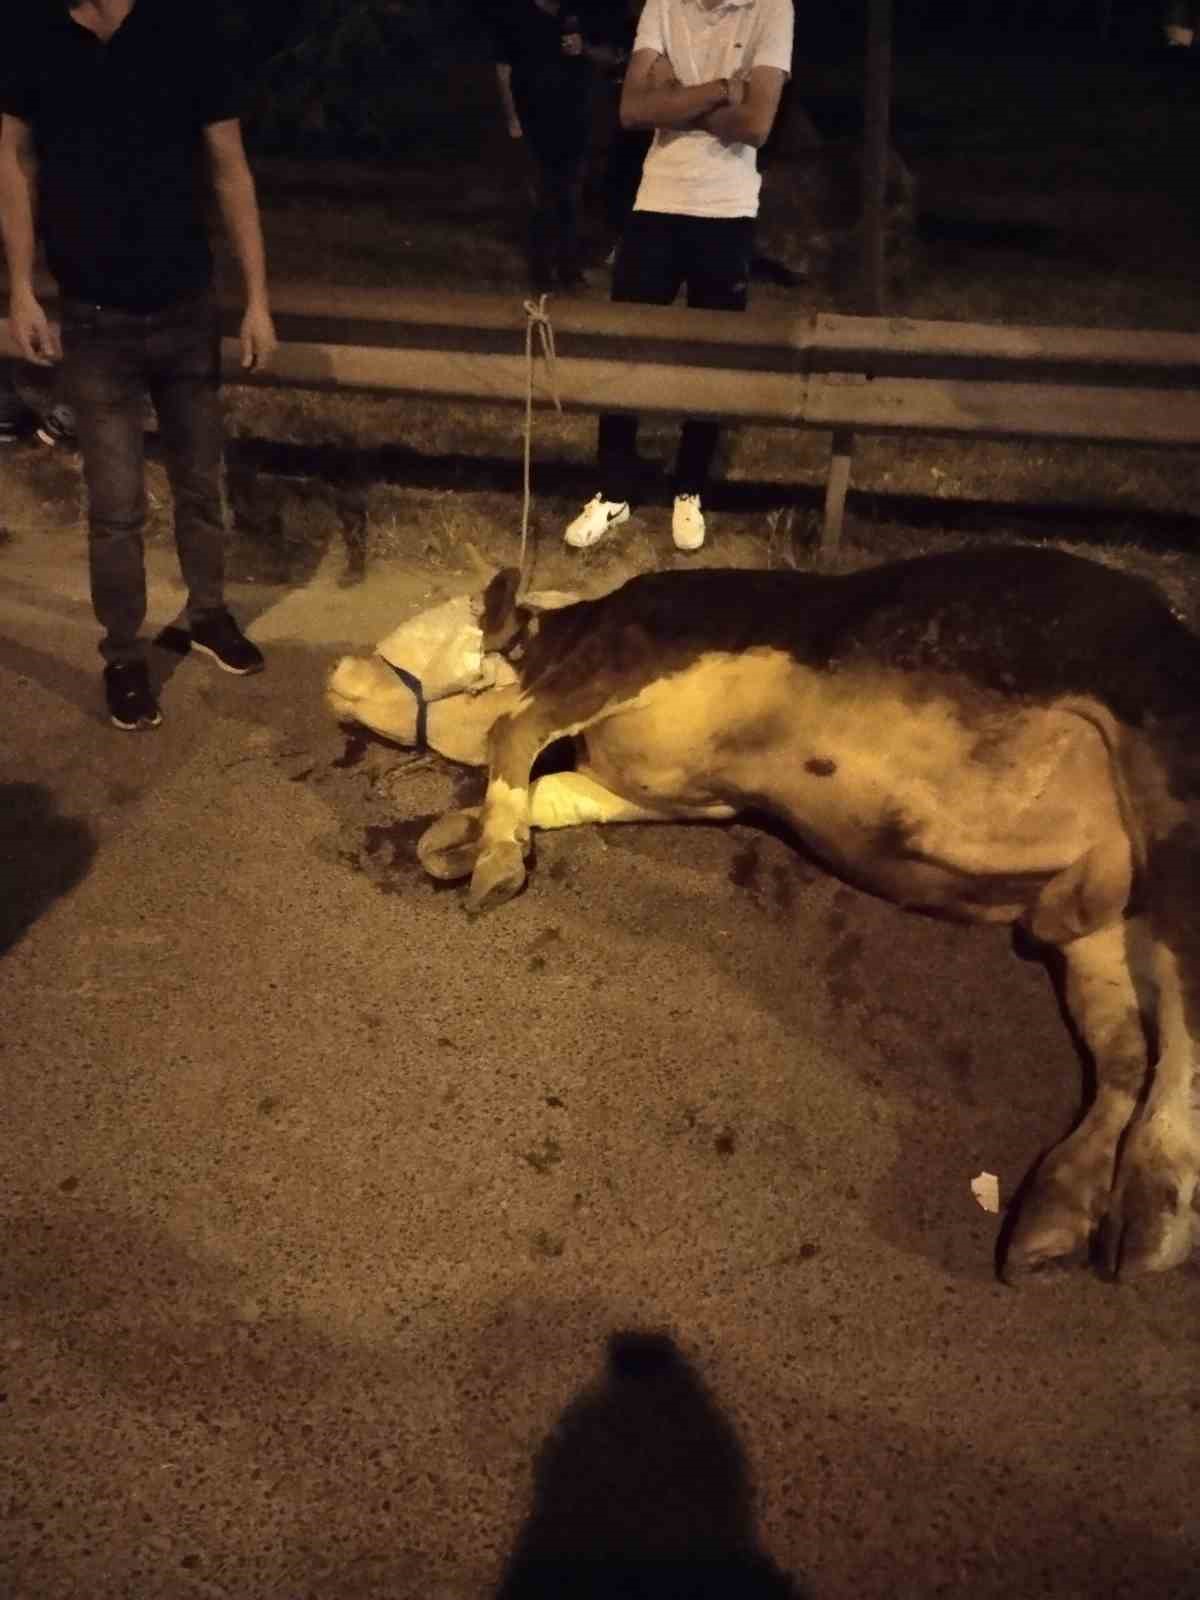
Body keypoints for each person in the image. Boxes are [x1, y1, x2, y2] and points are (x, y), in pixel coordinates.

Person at [0, 0, 277, 732]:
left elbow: (230, 170)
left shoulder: (185, 27)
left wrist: (257, 300)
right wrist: (21, 288)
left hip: (186, 308)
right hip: (95, 318)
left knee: (201, 484)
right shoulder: (34, 34)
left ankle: (208, 613)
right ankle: (123, 655)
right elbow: (14, 161)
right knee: (116, 506)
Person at [564, 0, 794, 555]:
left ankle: (689, 487)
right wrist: (720, 90)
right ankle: (613, 489)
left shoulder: (772, 8)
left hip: (728, 208)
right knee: (626, 347)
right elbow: (631, 110)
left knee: (710, 357)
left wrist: (674, 99)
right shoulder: (664, 3)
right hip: (657, 200)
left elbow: (757, 125)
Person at [480, 1, 622, 294]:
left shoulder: (577, 13)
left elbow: (613, 57)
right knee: (541, 197)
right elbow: (503, 69)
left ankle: (569, 269)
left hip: (574, 122)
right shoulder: (515, 14)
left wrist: (583, 49)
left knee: (570, 196)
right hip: (533, 123)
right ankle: (541, 271)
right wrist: (512, 119)